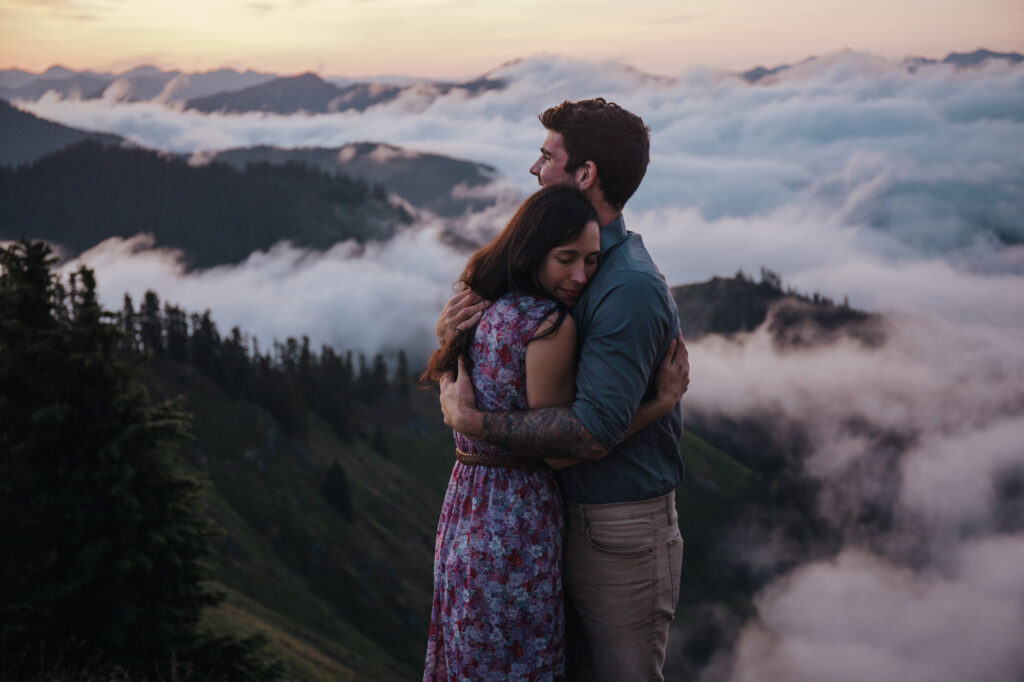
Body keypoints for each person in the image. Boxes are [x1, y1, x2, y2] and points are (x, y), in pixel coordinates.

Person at [438, 98, 689, 681]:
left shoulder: (626, 287)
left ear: (586, 174)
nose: (535, 169)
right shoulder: (565, 274)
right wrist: (450, 334)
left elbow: (583, 433)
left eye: (546, 156)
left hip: (620, 524)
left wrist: (471, 423)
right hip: (557, 517)